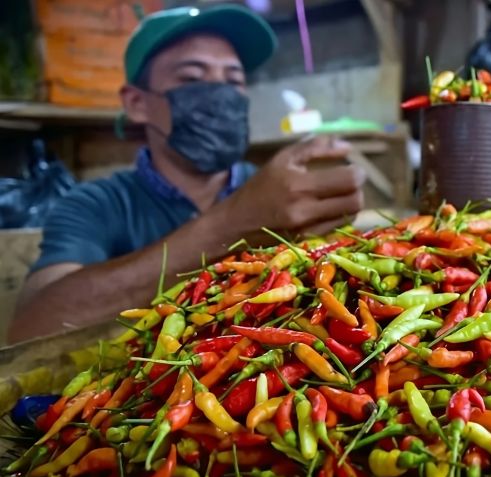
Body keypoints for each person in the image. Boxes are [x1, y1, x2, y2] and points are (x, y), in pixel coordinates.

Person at [9, 5, 365, 343]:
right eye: (193, 77)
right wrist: (232, 224)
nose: (220, 93)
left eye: (233, 79)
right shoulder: (98, 205)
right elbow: (30, 329)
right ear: (137, 103)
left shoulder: (283, 197)